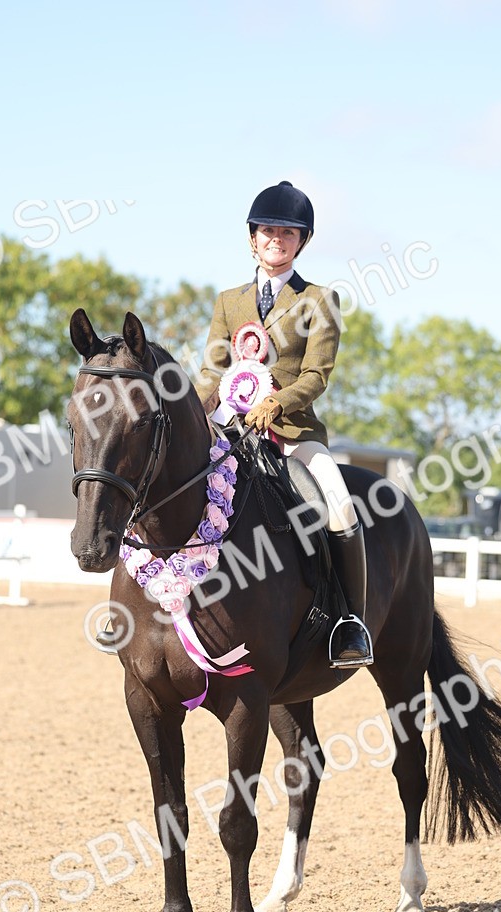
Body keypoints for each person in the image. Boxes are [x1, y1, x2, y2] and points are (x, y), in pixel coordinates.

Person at [195, 181, 373, 668]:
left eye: (288, 232)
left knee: (339, 507)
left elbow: (317, 375)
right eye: (268, 230)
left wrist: (276, 403)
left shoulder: (319, 299)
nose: (277, 238)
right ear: (252, 237)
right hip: (231, 430)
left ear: (302, 241)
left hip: (293, 433)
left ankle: (349, 623)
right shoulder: (228, 301)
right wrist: (196, 409)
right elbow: (212, 371)